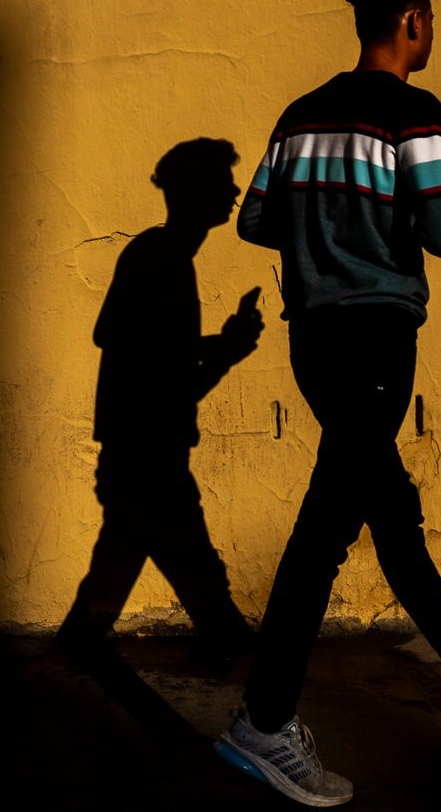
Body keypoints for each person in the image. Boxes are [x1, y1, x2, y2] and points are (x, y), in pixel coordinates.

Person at [214, 0, 441, 807]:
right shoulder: (415, 113)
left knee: (385, 506)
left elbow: (255, 221)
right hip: (381, 339)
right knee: (325, 530)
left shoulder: (298, 115)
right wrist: (382, 225)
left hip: (313, 341)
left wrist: (324, 232)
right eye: (432, 22)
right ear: (415, 22)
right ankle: (264, 722)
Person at [56, 137, 265, 670]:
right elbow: (152, 358)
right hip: (149, 449)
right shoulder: (163, 258)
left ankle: (79, 647)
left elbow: (136, 342)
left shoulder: (156, 254)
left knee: (130, 555)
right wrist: (226, 352)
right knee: (187, 561)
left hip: (140, 447)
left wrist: (220, 346)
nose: (235, 190)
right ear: (196, 192)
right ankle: (242, 661)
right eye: (223, 182)